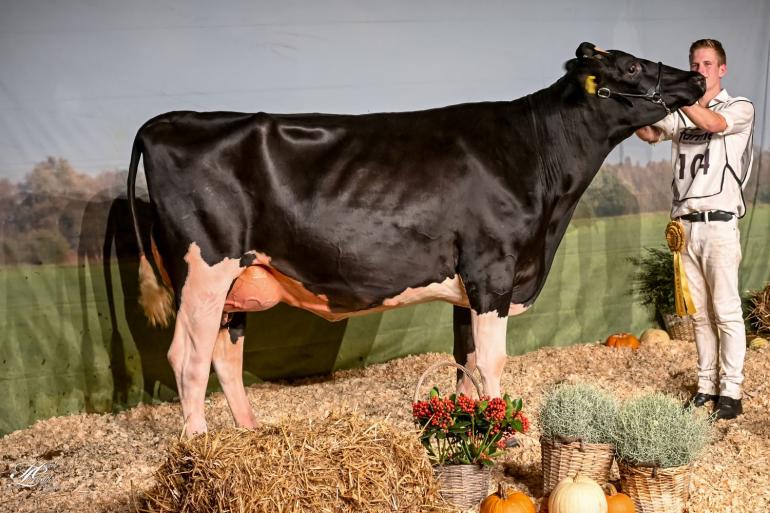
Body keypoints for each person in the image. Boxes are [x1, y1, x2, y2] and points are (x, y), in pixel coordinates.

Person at [636, 39, 755, 420]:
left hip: (719, 224)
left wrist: (680, 96)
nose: (700, 69)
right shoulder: (683, 114)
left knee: (726, 311)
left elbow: (713, 123)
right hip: (685, 227)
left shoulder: (739, 108)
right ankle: (706, 386)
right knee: (699, 316)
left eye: (707, 64)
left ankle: (731, 392)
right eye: (694, 64)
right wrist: (635, 103)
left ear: (722, 69)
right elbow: (651, 133)